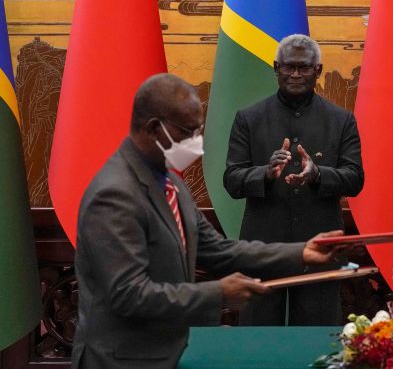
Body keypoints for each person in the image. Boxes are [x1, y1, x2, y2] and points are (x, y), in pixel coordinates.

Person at [72, 74, 342, 369]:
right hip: (122, 359)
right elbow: (129, 294)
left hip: (165, 351)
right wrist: (218, 293)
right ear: (153, 128)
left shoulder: (170, 183)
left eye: (198, 131)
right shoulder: (115, 194)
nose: (197, 144)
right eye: (188, 132)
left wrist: (301, 252)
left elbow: (218, 249)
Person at [224, 34, 364, 326]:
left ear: (318, 70)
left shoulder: (341, 120)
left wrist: (318, 174)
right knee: (259, 335)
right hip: (263, 247)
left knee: (317, 337)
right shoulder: (249, 118)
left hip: (320, 245)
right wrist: (264, 173)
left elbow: (355, 179)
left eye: (304, 67)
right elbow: (232, 180)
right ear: (276, 68)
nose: (296, 74)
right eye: (288, 67)